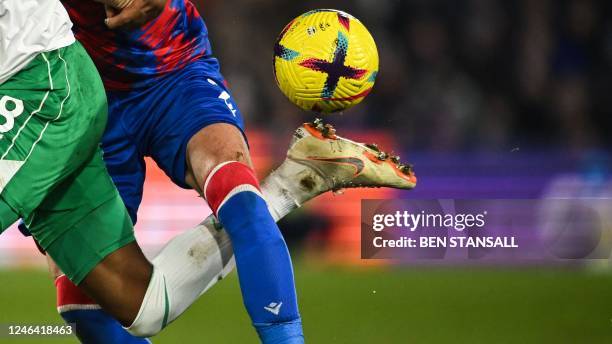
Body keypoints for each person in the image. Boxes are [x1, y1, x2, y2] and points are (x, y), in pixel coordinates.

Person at [25, 0, 418, 342]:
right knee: (85, 310)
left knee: (238, 195)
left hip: (172, 69)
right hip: (73, 96)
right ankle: (297, 178)